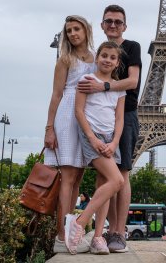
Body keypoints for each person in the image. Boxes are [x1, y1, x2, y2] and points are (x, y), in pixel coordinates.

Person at [78, 5, 142, 253]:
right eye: (109, 21)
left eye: (118, 21)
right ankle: (100, 234)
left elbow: (133, 81)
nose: (113, 25)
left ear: (124, 26)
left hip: (124, 115)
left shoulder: (132, 47)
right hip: (98, 122)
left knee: (122, 173)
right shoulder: (100, 53)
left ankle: (117, 231)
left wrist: (103, 87)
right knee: (105, 177)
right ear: (102, 25)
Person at [65, 41, 127, 255]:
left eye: (112, 57)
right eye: (104, 55)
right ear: (97, 57)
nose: (107, 60)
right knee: (117, 181)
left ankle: (98, 237)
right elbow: (79, 111)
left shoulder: (119, 90)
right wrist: (92, 139)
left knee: (105, 186)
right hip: (93, 137)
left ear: (117, 63)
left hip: (110, 139)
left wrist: (114, 142)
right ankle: (79, 222)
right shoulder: (87, 80)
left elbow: (119, 119)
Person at [44, 15, 95, 254]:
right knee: (67, 177)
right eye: (69, 30)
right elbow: (56, 94)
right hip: (67, 116)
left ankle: (70, 231)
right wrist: (49, 127)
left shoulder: (97, 58)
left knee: (77, 179)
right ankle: (61, 236)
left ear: (86, 30)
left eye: (77, 29)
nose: (73, 33)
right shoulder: (65, 59)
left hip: (88, 116)